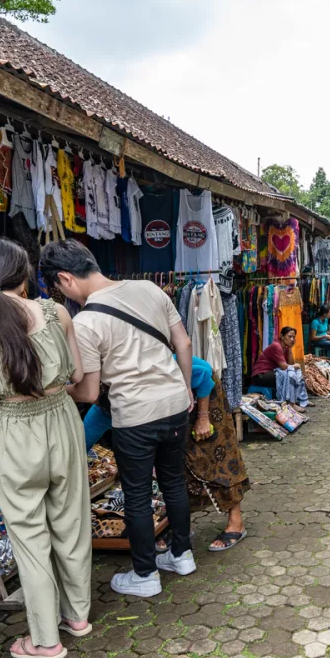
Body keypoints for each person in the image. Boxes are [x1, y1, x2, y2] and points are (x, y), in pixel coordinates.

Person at [0, 237, 91, 658]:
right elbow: (78, 375)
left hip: (9, 432)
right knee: (71, 522)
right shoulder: (56, 312)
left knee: (29, 539)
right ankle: (78, 617)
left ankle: (45, 641)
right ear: (24, 273)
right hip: (61, 420)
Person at [41, 240, 197, 598]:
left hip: (135, 415)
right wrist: (185, 388)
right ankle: (181, 555)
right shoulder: (148, 288)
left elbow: (90, 394)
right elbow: (184, 344)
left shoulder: (86, 321)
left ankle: (145, 575)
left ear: (65, 278)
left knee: (138, 494)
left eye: (58, 287)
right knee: (174, 481)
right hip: (174, 402)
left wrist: (51, 390)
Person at [84, 357, 251, 551]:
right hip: (171, 404)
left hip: (203, 391)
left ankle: (236, 521)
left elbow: (203, 375)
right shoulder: (103, 409)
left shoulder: (145, 375)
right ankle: (182, 528)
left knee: (218, 455)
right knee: (176, 465)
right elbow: (81, 442)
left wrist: (203, 418)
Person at [249, 327, 297, 391]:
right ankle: (289, 399)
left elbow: (291, 364)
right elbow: (285, 367)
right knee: (288, 376)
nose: (292, 339)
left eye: (293, 337)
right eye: (289, 336)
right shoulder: (276, 346)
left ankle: (290, 398)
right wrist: (296, 366)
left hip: (270, 373)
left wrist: (290, 349)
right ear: (282, 336)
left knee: (293, 375)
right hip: (260, 375)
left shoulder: (286, 348)